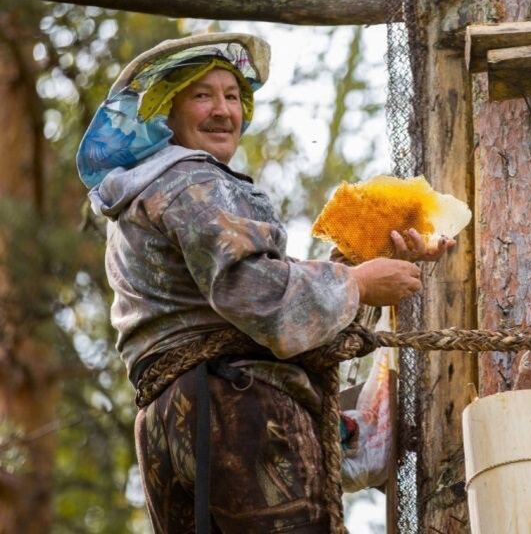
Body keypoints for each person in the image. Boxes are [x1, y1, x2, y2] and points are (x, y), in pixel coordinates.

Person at [76, 33, 454, 533]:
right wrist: (358, 283)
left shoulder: (141, 193)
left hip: (172, 422)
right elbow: (258, 295)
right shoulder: (192, 180)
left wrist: (366, 260)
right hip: (232, 408)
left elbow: (252, 303)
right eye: (202, 95)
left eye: (232, 96)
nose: (222, 110)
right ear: (165, 112)